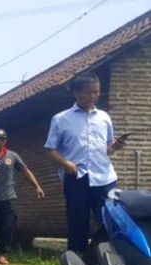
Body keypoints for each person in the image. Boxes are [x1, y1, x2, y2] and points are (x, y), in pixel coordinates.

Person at [44, 71, 126, 254]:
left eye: (96, 92)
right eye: (89, 92)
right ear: (76, 92)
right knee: (77, 222)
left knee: (110, 221)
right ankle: (77, 264)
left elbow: (107, 149)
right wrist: (66, 165)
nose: (93, 96)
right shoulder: (61, 119)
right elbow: (51, 149)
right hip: (77, 178)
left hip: (104, 178)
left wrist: (116, 147)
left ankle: (107, 260)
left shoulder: (104, 117)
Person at [0, 128, 45, 265]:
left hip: (8, 196)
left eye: (2, 140)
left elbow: (25, 171)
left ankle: (3, 254)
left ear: (6, 141)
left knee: (7, 225)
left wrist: (37, 186)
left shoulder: (12, 156)